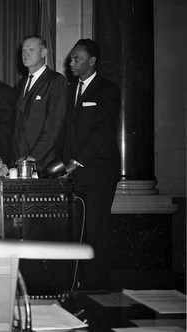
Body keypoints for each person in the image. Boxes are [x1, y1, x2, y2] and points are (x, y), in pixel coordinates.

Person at [63, 38, 120, 290]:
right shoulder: (68, 89)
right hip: (74, 173)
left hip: (98, 171)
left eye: (77, 58)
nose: (71, 62)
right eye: (71, 58)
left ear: (92, 61)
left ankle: (96, 285)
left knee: (96, 228)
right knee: (77, 229)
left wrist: (76, 161)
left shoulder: (108, 90)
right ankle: (78, 280)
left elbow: (102, 133)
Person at [13, 36, 67, 175]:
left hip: (43, 163)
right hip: (19, 162)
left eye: (31, 49)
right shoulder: (20, 84)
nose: (26, 54)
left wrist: (34, 156)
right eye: (23, 50)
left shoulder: (55, 81)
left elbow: (54, 125)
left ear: (44, 53)